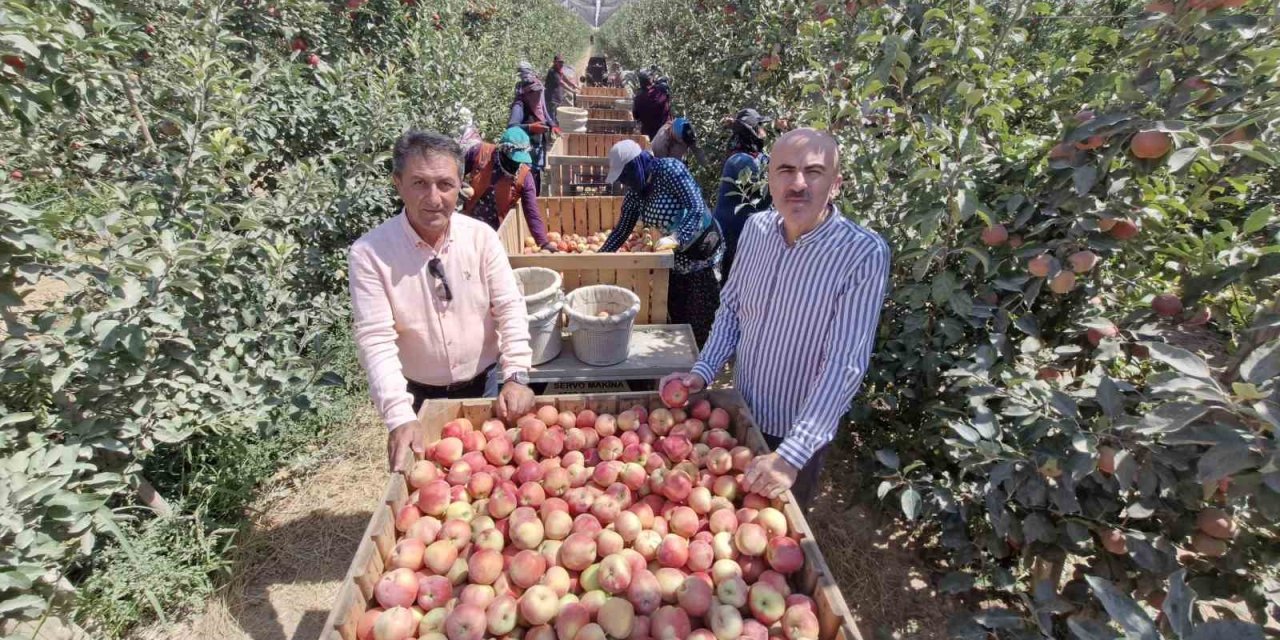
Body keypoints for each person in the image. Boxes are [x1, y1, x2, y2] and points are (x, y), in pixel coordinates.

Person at [661, 129, 891, 509]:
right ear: (768, 179)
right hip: (741, 411)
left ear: (835, 185)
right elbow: (732, 308)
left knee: (777, 527)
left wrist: (793, 454)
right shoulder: (756, 230)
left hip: (796, 429)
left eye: (813, 172)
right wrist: (702, 371)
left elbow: (845, 363)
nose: (798, 183)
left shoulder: (862, 254)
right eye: (785, 170)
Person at [349, 131, 536, 471]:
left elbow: (509, 305)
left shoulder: (481, 238)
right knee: (435, 483)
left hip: (486, 385)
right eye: (419, 183)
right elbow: (376, 338)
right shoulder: (370, 253)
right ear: (398, 183)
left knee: (491, 476)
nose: (433, 198)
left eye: (445, 184)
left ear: (460, 185)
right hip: (420, 396)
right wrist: (398, 415)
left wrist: (517, 374)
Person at [601, 140, 723, 346]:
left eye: (626, 174)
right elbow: (622, 230)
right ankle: (680, 367)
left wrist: (677, 237)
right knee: (678, 315)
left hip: (703, 252)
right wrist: (600, 257)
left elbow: (696, 206)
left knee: (701, 317)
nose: (625, 181)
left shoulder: (669, 169)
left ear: (636, 164)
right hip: (675, 259)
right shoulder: (635, 193)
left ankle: (699, 370)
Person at [462, 126, 556, 252]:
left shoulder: (525, 176)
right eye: (513, 159)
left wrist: (543, 242)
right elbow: (454, 172)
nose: (516, 164)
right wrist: (457, 187)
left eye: (519, 160)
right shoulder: (480, 153)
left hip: (496, 233)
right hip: (469, 224)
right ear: (502, 150)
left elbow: (531, 212)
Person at [714, 108, 773, 283]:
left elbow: (770, 163)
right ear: (752, 132)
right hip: (735, 234)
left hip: (745, 232)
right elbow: (767, 191)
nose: (765, 131)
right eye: (761, 127)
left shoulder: (754, 156)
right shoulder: (740, 161)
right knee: (735, 280)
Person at [509, 61, 558, 193]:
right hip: (526, 151)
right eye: (535, 94)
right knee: (527, 178)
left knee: (537, 176)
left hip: (538, 147)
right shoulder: (519, 105)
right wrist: (530, 128)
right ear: (527, 94)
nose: (538, 96)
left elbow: (544, 112)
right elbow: (512, 128)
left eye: (539, 93)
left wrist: (552, 125)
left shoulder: (537, 98)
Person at [631, 70, 671, 140]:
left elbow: (636, 116)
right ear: (651, 80)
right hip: (665, 133)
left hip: (648, 136)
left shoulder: (638, 98)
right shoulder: (661, 91)